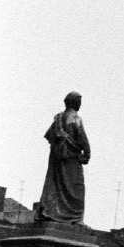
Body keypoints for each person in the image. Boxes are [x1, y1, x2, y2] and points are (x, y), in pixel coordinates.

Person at [39, 91, 90, 222]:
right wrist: (87, 154)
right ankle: (75, 217)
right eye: (79, 102)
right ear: (75, 103)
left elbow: (50, 136)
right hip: (72, 159)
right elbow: (83, 139)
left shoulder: (58, 119)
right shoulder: (75, 118)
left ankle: (52, 212)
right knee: (76, 188)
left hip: (57, 159)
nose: (80, 104)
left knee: (55, 185)